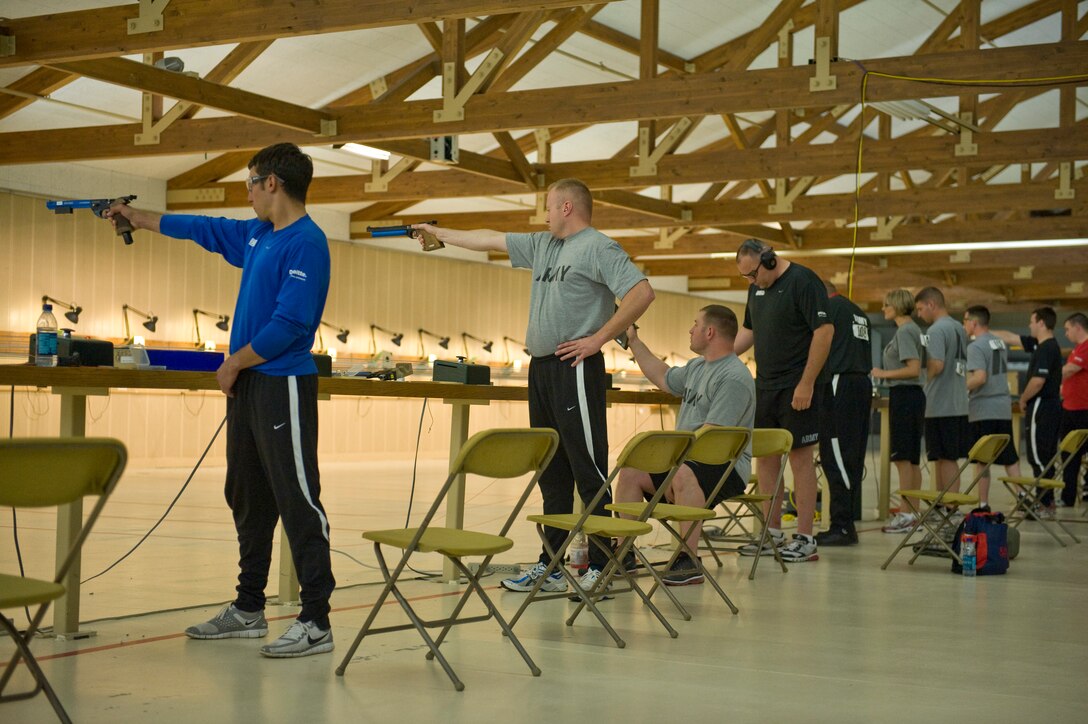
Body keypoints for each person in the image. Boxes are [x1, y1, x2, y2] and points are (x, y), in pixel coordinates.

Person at [107, 143, 336, 658]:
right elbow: (201, 229)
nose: (248, 192)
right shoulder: (258, 235)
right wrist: (137, 218)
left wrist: (233, 362)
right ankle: (248, 608)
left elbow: (292, 324)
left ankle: (317, 620)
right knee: (248, 495)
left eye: (251, 182)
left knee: (298, 499)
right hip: (251, 387)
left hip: (283, 384)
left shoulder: (307, 243)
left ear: (272, 182)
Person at [412, 179, 654, 593]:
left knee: (587, 465)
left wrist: (597, 339)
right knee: (551, 469)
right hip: (541, 368)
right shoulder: (544, 245)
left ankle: (603, 561)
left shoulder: (599, 247)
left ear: (565, 207)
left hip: (576, 366)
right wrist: (441, 234)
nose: (542, 215)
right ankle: (553, 563)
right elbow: (490, 240)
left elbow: (642, 292)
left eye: (547, 207)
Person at [614, 305, 755, 585]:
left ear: (710, 331)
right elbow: (663, 375)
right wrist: (634, 342)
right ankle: (624, 553)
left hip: (725, 466)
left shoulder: (734, 377)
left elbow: (710, 439)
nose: (690, 330)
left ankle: (688, 560)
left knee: (682, 473)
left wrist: (670, 462)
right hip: (687, 463)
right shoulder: (696, 368)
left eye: (695, 324)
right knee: (631, 472)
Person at [733, 239, 833, 563]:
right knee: (766, 459)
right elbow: (749, 331)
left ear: (770, 261)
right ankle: (771, 532)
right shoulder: (755, 289)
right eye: (745, 277)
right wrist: (718, 355)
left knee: (801, 459)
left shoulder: (804, 281)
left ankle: (805, 538)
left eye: (753, 274)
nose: (751, 281)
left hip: (797, 386)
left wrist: (806, 383)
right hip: (766, 385)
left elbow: (824, 332)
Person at [815, 280, 872, 547]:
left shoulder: (828, 310)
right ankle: (845, 522)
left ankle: (842, 525)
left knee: (835, 455)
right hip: (861, 383)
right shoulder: (858, 311)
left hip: (839, 382)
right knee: (852, 455)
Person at [992, 307, 1063, 514]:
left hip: (1042, 405)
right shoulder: (1039, 344)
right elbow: (1011, 338)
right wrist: (987, 333)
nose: (1029, 325)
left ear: (1041, 323)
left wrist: (1023, 399)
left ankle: (1044, 501)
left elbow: (1038, 381)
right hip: (1049, 406)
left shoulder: (1046, 348)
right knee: (1045, 456)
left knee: (1038, 457)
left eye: (1032, 322)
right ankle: (1047, 501)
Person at [871, 289, 926, 533]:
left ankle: (905, 513)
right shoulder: (913, 329)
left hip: (905, 395)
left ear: (897, 305)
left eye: (886, 305)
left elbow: (913, 369)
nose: (883, 309)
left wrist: (883, 374)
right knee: (911, 460)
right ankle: (912, 512)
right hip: (911, 397)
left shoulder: (905, 331)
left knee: (903, 458)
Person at [913, 287, 970, 514]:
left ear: (931, 304)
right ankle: (944, 502)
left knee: (945, 457)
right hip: (958, 401)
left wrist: (922, 380)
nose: (919, 314)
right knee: (943, 456)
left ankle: (948, 506)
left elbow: (936, 364)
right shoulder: (959, 327)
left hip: (940, 403)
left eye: (920, 308)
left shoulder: (936, 330)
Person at [962, 305, 1021, 510]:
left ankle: (983, 503)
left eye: (965, 321)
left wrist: (960, 389)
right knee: (1010, 456)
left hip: (983, 408)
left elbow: (979, 377)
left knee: (982, 460)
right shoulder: (998, 342)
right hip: (1002, 406)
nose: (964, 325)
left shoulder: (975, 347)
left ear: (974, 323)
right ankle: (1022, 496)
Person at [1058, 312, 1088, 508]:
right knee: (1068, 454)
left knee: (1077, 452)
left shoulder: (1085, 347)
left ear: (1078, 327)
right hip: (1070, 408)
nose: (1066, 334)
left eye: (1068, 329)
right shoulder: (1077, 349)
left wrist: (1051, 374)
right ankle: (1068, 496)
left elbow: (1069, 370)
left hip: (1082, 410)